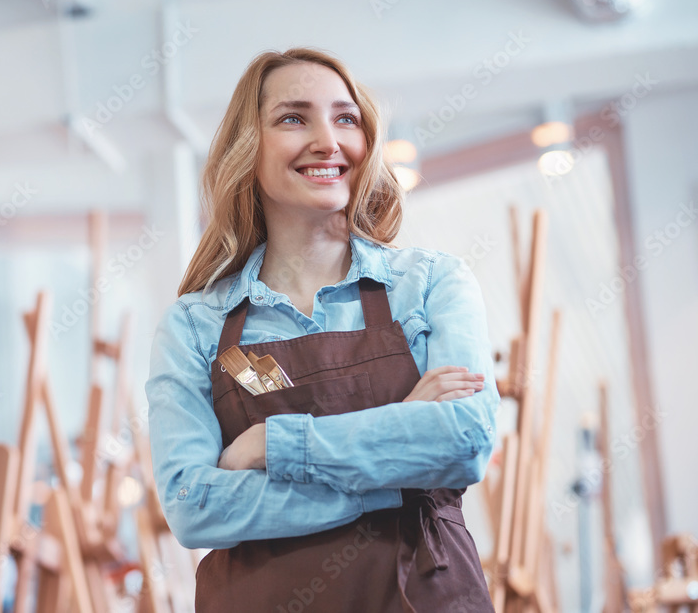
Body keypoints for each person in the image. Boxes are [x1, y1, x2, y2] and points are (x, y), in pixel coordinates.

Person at [144, 47, 499, 613]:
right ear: (248, 148)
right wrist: (395, 463)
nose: (328, 141)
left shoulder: (431, 284)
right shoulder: (195, 325)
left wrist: (273, 445)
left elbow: (464, 442)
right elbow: (194, 506)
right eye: (293, 118)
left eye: (346, 118)